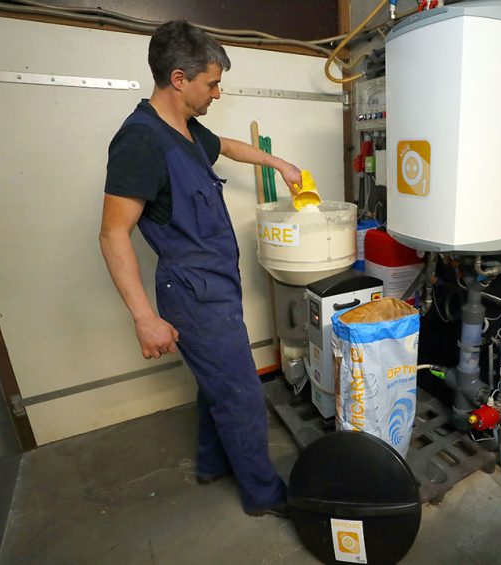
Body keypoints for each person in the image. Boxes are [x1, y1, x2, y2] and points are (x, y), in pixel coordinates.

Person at [99, 20, 300, 518]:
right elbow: (112, 233)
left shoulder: (185, 130)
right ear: (179, 79)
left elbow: (229, 146)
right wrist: (144, 317)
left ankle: (213, 464)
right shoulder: (141, 140)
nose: (217, 91)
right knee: (242, 396)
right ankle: (264, 495)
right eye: (211, 82)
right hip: (192, 293)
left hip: (216, 286)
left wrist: (280, 165)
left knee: (218, 386)